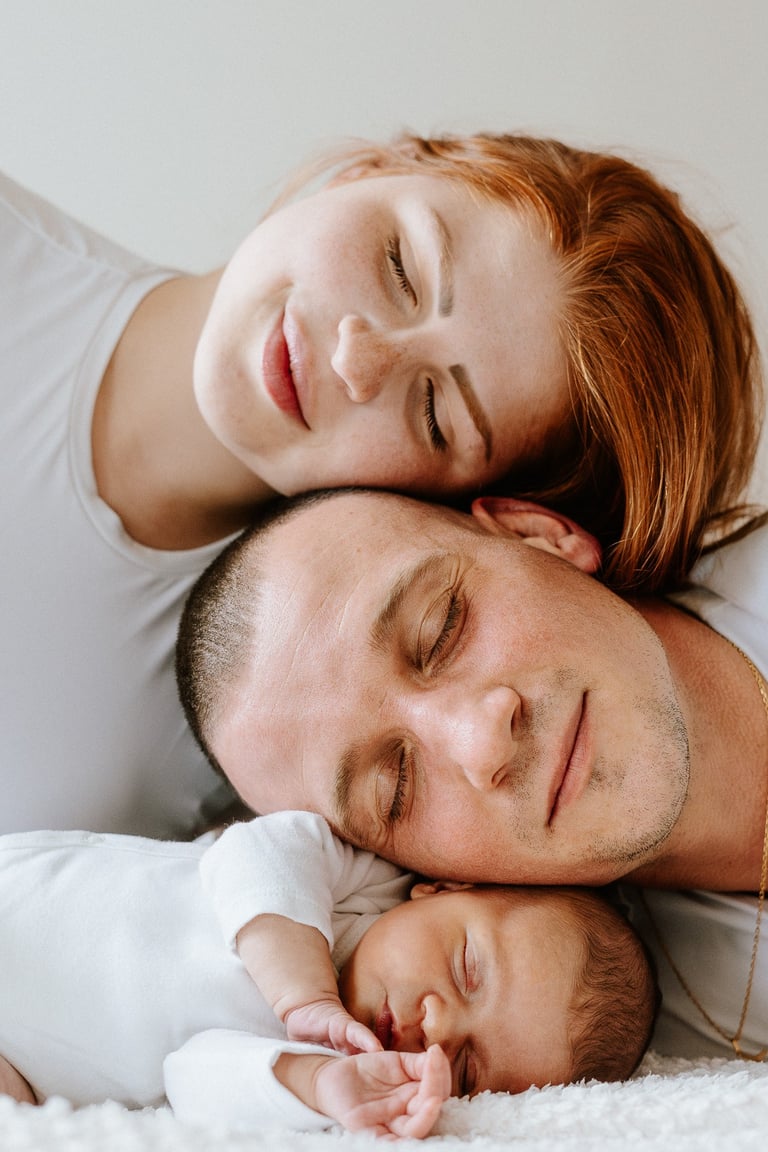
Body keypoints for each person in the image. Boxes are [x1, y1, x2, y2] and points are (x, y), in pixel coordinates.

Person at [1, 128, 763, 837]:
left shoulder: (280, 752)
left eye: (434, 414)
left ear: (477, 515)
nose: (356, 357)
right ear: (387, 165)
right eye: (400, 265)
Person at [176, 485, 768, 1060]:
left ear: (538, 535)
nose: (482, 744)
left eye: (443, 631)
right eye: (397, 790)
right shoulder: (621, 1025)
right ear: (424, 878)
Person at [0, 811, 655, 1136]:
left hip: (22, 1064)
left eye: (465, 1069)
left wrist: (319, 1085)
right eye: (467, 969)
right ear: (443, 888)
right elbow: (252, 851)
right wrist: (303, 993)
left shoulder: (335, 1060)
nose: (439, 1027)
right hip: (27, 909)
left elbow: (191, 1076)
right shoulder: (365, 885)